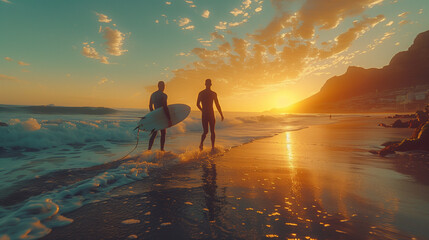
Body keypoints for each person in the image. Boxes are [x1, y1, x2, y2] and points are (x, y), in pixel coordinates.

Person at [197, 79, 224, 151]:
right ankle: (203, 144)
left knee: (209, 131)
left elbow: (198, 104)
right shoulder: (208, 93)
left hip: (207, 114)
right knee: (208, 131)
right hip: (208, 114)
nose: (208, 85)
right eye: (208, 83)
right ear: (207, 84)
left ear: (207, 84)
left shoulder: (204, 93)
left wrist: (221, 114)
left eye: (208, 83)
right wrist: (221, 114)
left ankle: (210, 146)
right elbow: (197, 104)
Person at [148, 81, 172, 151]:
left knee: (154, 133)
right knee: (163, 133)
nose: (164, 87)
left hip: (156, 115)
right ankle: (162, 149)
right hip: (162, 116)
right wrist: (169, 119)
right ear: (159, 86)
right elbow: (165, 107)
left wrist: (153, 114)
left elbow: (150, 106)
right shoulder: (164, 95)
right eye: (163, 86)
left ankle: (149, 149)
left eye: (164, 86)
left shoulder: (153, 94)